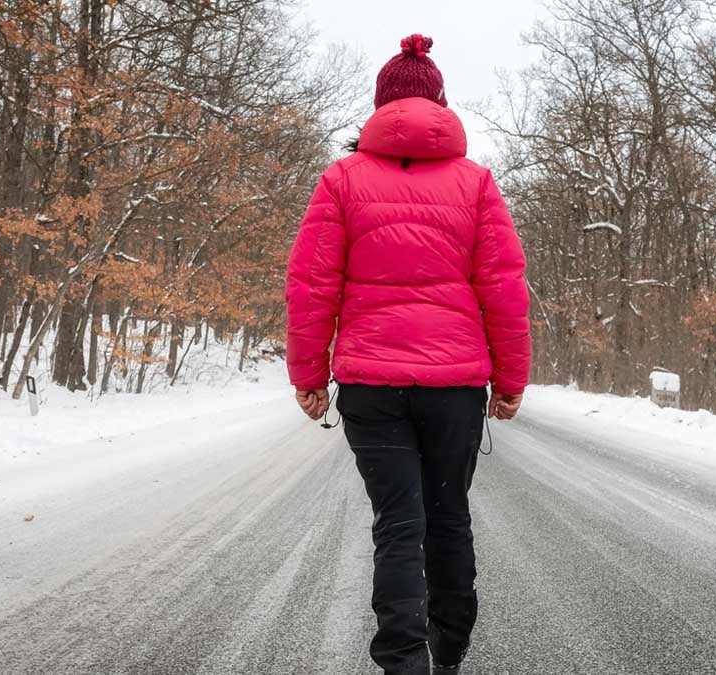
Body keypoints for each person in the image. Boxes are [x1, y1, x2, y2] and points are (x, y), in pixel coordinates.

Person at [285, 33, 531, 675]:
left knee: (398, 521)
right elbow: (503, 288)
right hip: (454, 389)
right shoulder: (476, 185)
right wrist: (510, 380)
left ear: (379, 107)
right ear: (442, 107)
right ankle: (448, 652)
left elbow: (312, 284)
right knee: (447, 516)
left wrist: (309, 376)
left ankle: (402, 661)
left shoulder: (341, 180)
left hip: (371, 384)